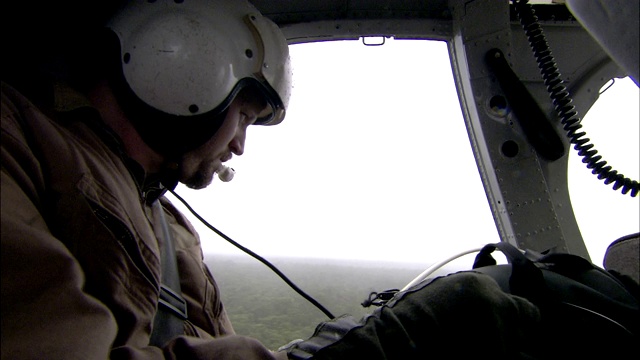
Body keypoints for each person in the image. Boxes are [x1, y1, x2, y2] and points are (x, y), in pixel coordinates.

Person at [1, 0, 541, 359]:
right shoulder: (20, 141)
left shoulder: (170, 226)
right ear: (182, 74)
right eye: (246, 117)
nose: (238, 145)